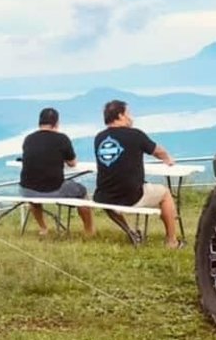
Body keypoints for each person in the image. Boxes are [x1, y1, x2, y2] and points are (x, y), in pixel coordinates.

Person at [93, 99, 182, 249]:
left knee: (107, 201)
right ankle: (171, 241)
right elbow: (157, 151)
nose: (131, 117)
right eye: (129, 113)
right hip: (132, 196)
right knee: (165, 194)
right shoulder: (135, 135)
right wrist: (168, 159)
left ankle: (131, 232)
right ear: (120, 115)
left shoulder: (99, 138)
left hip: (105, 196)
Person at [19, 107, 95, 237]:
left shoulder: (29, 139)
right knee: (81, 192)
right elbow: (72, 163)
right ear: (56, 123)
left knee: (34, 197)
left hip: (27, 190)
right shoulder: (61, 139)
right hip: (54, 189)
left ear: (40, 122)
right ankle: (89, 230)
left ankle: (43, 228)